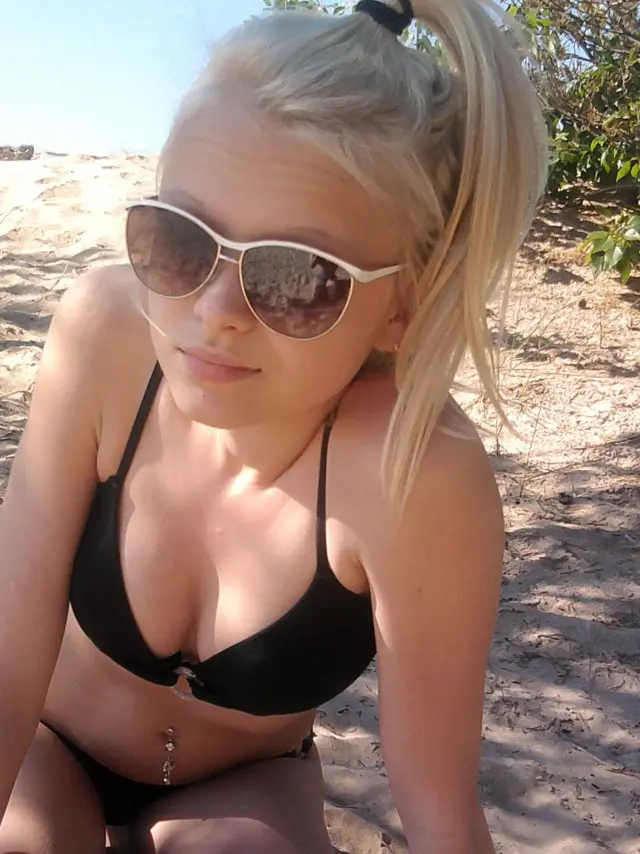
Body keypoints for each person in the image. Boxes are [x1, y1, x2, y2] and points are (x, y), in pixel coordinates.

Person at [0, 0, 548, 851]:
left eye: (296, 277)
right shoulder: (106, 334)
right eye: (178, 241)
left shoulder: (415, 469)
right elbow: (8, 660)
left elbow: (438, 803)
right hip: (49, 743)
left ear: (404, 305)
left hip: (247, 783)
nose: (214, 310)